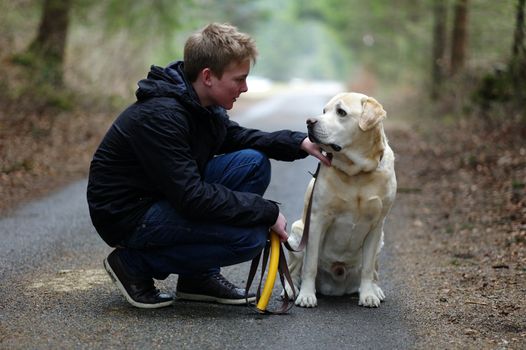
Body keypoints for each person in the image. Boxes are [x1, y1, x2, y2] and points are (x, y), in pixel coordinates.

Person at [87, 22, 330, 309]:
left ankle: (196, 277)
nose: (245, 87)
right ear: (208, 76)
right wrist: (266, 211)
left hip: (161, 195)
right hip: (127, 214)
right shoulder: (162, 116)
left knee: (252, 163)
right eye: (239, 79)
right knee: (248, 239)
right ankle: (132, 263)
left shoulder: (199, 102)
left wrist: (298, 142)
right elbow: (191, 197)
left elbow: (235, 136)